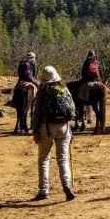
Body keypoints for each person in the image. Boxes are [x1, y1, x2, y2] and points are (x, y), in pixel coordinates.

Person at [31, 66, 76, 201]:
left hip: (47, 127)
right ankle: (67, 185)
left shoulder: (43, 91)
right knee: (63, 158)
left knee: (44, 159)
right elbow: (72, 109)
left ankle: (44, 190)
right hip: (64, 127)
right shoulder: (63, 88)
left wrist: (35, 130)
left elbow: (37, 112)